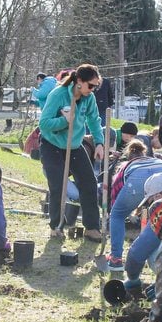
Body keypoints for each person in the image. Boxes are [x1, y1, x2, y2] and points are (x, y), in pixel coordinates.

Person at [38, 65, 106, 240]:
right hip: (51, 144)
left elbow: (94, 120)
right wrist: (64, 121)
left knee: (89, 184)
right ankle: (56, 226)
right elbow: (44, 124)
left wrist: (99, 143)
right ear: (79, 81)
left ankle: (92, 227)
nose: (93, 90)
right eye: (91, 85)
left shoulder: (88, 98)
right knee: (58, 185)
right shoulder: (58, 94)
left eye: (95, 87)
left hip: (75, 145)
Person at [104, 140, 162, 270]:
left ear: (129, 156)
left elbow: (116, 194)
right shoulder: (156, 159)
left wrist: (114, 211)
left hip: (137, 180)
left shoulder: (126, 166)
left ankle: (116, 259)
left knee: (117, 215)